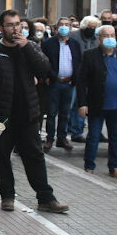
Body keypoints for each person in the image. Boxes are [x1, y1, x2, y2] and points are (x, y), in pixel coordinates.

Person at [0, 9, 71, 213]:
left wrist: (27, 47)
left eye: (18, 25)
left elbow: (45, 69)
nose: (15, 29)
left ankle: (46, 198)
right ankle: (7, 196)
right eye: (10, 25)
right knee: (2, 156)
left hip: (28, 113)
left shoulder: (30, 47)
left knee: (35, 156)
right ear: (1, 28)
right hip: (3, 116)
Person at [77, 25, 117, 178]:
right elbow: (82, 81)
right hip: (97, 103)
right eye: (106, 36)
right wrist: (82, 103)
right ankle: (89, 166)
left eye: (112, 35)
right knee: (94, 136)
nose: (110, 39)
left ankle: (114, 166)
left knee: (116, 137)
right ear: (99, 38)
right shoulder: (90, 55)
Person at [41, 17, 81, 152]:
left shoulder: (74, 44)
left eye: (67, 25)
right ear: (56, 27)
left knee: (65, 112)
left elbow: (78, 62)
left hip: (69, 83)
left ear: (70, 28)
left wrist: (75, 78)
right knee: (52, 113)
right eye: (61, 24)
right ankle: (50, 138)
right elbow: (44, 61)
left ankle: (62, 138)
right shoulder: (48, 43)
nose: (64, 27)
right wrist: (49, 76)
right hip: (54, 82)